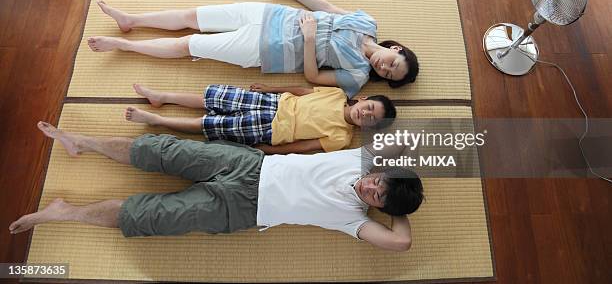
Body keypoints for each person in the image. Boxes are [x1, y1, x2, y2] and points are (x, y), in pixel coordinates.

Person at [9, 122, 424, 252]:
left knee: (150, 218)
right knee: (163, 150)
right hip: (248, 164)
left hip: (239, 211)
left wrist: (396, 205)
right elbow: (414, 139)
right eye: (381, 183)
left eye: (380, 197)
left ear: (381, 205)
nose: (372, 188)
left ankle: (64, 212)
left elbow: (400, 244)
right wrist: (397, 176)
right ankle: (83, 142)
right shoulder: (360, 157)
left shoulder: (353, 218)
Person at [88, 0, 419, 97]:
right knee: (193, 16)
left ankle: (124, 45)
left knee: (188, 45)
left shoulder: (358, 77)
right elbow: (329, 8)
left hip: (265, 49)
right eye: (393, 62)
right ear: (396, 49)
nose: (384, 67)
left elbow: (313, 77)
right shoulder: (367, 22)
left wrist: (309, 38)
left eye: (388, 74)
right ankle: (132, 20)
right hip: (270, 15)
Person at [125, 83, 397, 154]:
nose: (366, 114)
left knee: (211, 125)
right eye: (370, 107)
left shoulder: (343, 138)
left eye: (371, 120)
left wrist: (271, 150)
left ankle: (157, 119)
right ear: (363, 99)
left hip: (270, 129)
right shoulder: (336, 94)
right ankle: (162, 96)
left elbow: (306, 146)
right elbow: (302, 91)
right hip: (272, 101)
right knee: (212, 99)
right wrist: (271, 89)